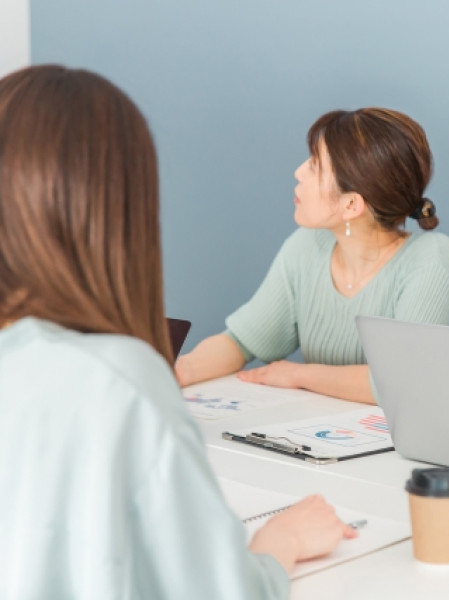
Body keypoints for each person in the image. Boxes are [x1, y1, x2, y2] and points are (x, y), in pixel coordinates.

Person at [0, 65, 355, 599]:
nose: (298, 174)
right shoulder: (114, 378)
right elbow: (218, 589)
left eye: (314, 164)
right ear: (121, 204)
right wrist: (277, 541)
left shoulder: (424, 257)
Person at [176, 108, 449, 403]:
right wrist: (181, 370)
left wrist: (301, 375)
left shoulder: (431, 258)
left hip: (403, 444)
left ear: (351, 205)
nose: (298, 172)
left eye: (314, 166)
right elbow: (240, 341)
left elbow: (404, 383)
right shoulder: (307, 246)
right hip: (322, 433)